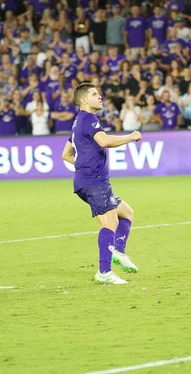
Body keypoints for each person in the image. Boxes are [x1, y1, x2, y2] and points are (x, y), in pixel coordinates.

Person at [61, 82, 141, 285]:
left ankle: (119, 252)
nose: (100, 97)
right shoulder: (88, 119)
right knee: (110, 222)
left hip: (91, 180)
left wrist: (82, 165)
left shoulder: (78, 122)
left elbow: (65, 154)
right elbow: (104, 141)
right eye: (94, 94)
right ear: (83, 100)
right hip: (93, 181)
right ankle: (104, 272)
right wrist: (130, 137)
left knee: (127, 212)